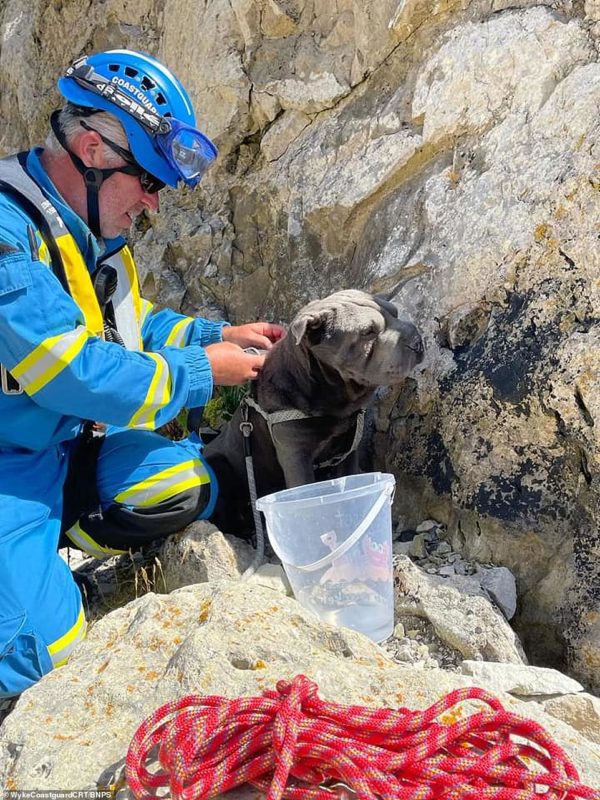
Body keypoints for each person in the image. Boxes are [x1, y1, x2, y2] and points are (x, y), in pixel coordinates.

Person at [0, 49, 284, 700]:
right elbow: (74, 372)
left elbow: (126, 321)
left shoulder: (88, 231)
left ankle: (43, 554)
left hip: (57, 451)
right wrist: (198, 371)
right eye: (149, 182)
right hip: (8, 464)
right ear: (96, 151)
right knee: (45, 658)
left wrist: (216, 336)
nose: (152, 203)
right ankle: (28, 580)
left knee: (181, 484)